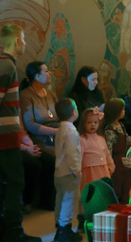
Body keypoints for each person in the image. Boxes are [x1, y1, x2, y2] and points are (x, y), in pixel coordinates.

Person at [0, 23, 41, 242]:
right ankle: (13, 232)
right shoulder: (6, 66)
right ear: (17, 41)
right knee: (15, 182)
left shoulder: (2, 64)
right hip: (3, 135)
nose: (25, 43)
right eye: (24, 39)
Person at [20, 61, 58, 210]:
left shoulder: (51, 94)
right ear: (36, 76)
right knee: (53, 157)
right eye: (46, 71)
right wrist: (54, 131)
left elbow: (60, 116)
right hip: (39, 139)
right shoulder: (26, 95)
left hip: (56, 137)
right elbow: (30, 125)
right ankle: (47, 199)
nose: (49, 73)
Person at [54, 98, 82, 242]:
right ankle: (64, 230)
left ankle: (60, 227)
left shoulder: (60, 129)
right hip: (69, 172)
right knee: (69, 200)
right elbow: (72, 152)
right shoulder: (71, 131)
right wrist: (76, 170)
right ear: (73, 112)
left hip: (59, 172)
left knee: (60, 199)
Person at [103, 98, 131, 204]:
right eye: (122, 109)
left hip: (124, 163)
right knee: (117, 186)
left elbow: (127, 140)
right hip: (116, 164)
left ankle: (125, 205)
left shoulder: (121, 126)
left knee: (126, 185)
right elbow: (108, 150)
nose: (124, 111)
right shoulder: (110, 131)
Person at [79, 107, 115, 195]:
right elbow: (79, 156)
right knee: (91, 193)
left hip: (103, 170)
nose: (93, 125)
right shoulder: (81, 139)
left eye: (95, 122)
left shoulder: (101, 138)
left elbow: (106, 154)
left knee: (102, 192)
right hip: (89, 172)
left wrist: (110, 165)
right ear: (83, 123)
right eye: (89, 122)